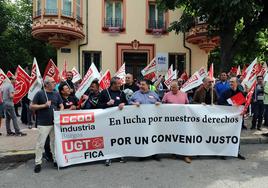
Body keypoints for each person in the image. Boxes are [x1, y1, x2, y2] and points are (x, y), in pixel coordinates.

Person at [30, 77, 64, 173]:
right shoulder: (40, 93)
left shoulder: (56, 93)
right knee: (40, 143)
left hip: (54, 123)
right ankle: (38, 163)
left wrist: (59, 114)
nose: (55, 83)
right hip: (43, 123)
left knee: (54, 142)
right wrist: (44, 105)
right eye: (53, 82)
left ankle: (55, 160)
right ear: (46, 84)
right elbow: (32, 106)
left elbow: (61, 105)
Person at [97, 77, 127, 166]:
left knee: (118, 137)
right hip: (107, 120)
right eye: (118, 83)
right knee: (108, 137)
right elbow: (98, 105)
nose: (120, 85)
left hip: (119, 120)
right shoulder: (104, 92)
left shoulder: (122, 93)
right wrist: (107, 104)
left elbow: (126, 103)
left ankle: (119, 154)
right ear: (113, 84)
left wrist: (124, 104)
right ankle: (108, 156)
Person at [129, 79, 161, 161]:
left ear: (147, 86)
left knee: (153, 137)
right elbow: (129, 102)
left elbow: (160, 103)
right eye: (140, 84)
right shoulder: (135, 94)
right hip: (140, 121)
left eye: (143, 85)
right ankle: (143, 154)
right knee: (142, 137)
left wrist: (158, 103)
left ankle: (154, 153)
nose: (141, 86)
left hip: (152, 121)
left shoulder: (154, 94)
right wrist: (134, 104)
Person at [162, 80, 191, 163]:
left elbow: (188, 105)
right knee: (173, 137)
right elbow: (162, 105)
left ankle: (186, 155)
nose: (172, 89)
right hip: (171, 121)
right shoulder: (166, 95)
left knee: (184, 137)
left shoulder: (184, 94)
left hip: (182, 120)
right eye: (171, 87)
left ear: (178, 87)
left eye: (174, 87)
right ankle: (174, 153)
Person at [218, 76, 246, 160]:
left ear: (237, 83)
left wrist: (245, 110)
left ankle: (236, 151)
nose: (230, 83)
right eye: (230, 82)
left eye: (232, 82)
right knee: (226, 135)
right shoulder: (225, 92)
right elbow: (220, 103)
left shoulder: (241, 93)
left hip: (237, 119)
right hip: (227, 118)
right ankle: (224, 152)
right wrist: (231, 105)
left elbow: (245, 104)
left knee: (236, 135)